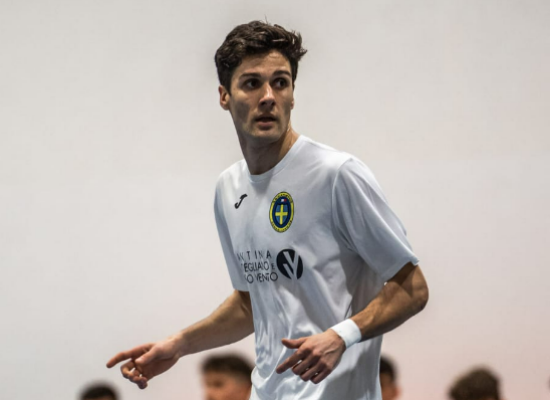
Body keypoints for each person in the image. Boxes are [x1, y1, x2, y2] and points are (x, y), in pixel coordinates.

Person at [106, 20, 429, 400]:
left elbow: (413, 288)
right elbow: (250, 303)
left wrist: (341, 336)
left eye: (280, 82)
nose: (268, 97)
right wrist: (179, 344)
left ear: (292, 94)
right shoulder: (229, 188)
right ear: (224, 96)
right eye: (251, 83)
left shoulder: (337, 175)